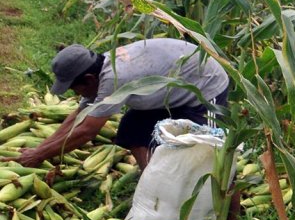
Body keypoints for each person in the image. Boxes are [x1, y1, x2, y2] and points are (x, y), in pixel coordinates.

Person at [16, 38, 229, 170]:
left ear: (89, 79)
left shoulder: (114, 79)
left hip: (205, 86)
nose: (76, 94)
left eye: (74, 89)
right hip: (174, 86)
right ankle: (150, 181)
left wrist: (40, 156)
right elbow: (78, 118)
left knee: (211, 150)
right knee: (132, 128)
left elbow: (87, 131)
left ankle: (231, 214)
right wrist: (39, 149)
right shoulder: (100, 69)